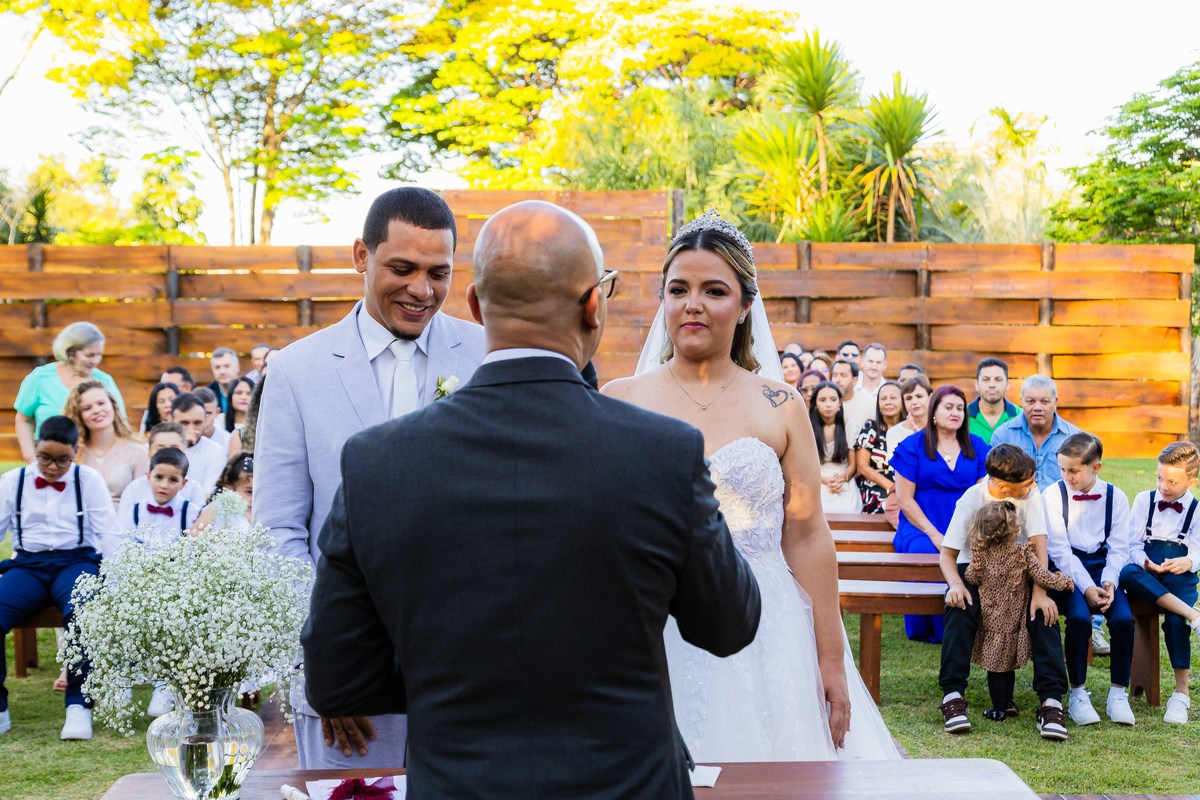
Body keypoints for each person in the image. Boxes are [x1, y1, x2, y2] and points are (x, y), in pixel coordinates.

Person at [303, 201, 763, 799]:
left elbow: (336, 679)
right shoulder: (662, 453)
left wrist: (445, 670)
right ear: (594, 304)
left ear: (474, 304)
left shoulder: (376, 463)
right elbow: (729, 623)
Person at [611, 208, 898, 761]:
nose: (692, 304)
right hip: (655, 622)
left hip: (767, 622)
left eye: (714, 290)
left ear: (745, 305)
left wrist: (831, 658)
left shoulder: (781, 405)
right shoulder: (622, 398)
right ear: (663, 300)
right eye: (679, 289)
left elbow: (808, 535)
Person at [256, 187, 487, 769]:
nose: (422, 290)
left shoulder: (488, 353)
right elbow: (281, 531)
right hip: (349, 680)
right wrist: (331, 663)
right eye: (402, 268)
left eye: (439, 273)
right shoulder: (295, 371)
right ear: (362, 255)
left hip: (475, 674)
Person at [938, 444, 1071, 741]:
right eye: (1026, 484)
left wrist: (1040, 592)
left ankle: (1051, 702)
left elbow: (1038, 547)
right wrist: (956, 585)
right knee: (961, 609)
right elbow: (947, 555)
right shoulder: (972, 498)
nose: (1033, 486)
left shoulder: (1031, 496)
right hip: (975, 569)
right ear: (1002, 487)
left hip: (1020, 570)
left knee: (1043, 614)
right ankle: (953, 695)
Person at [0, 416, 119, 740]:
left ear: (76, 452)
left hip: (75, 561)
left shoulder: (88, 479)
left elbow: (108, 533)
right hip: (28, 565)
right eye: (45, 458)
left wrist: (119, 580)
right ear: (35, 448)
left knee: (83, 611)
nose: (52, 468)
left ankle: (78, 704)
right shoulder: (13, 481)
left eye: (62, 460)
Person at [1042, 433, 1136, 726]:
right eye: (1062, 469)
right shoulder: (1052, 495)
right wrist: (1086, 587)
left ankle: (1118, 692)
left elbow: (1120, 546)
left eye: (1073, 470)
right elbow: (1059, 550)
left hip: (1106, 566)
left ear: (1096, 468)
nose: (1066, 476)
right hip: (1068, 569)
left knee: (1123, 619)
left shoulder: (1116, 497)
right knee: (1080, 619)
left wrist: (1108, 581)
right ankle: (1078, 692)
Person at [892, 385, 989, 643]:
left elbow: (983, 494)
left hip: (964, 522)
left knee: (974, 552)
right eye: (949, 407)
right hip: (922, 523)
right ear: (934, 411)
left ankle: (969, 621)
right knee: (926, 550)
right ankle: (931, 627)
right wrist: (933, 533)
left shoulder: (977, 446)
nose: (956, 412)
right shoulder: (912, 446)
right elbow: (904, 499)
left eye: (960, 408)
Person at [964, 501, 1074, 724]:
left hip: (992, 621)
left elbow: (971, 577)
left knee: (997, 665)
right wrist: (1065, 581)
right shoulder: (1023, 554)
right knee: (1007, 663)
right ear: (1013, 529)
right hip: (1013, 621)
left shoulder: (981, 556)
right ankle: (1003, 705)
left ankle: (1002, 704)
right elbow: (1044, 577)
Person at [1118, 441, 1200, 725]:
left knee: (1176, 623)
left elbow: (1199, 550)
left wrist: (1188, 562)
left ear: (1192, 481)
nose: (1163, 486)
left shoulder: (1197, 510)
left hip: (1181, 576)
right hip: (1149, 572)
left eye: (1172, 481)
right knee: (1127, 572)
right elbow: (1132, 544)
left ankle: (1181, 694)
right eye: (1159, 478)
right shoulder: (1144, 500)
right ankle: (1193, 614)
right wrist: (1144, 562)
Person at [14, 322, 125, 462]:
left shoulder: (105, 381)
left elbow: (120, 424)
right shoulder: (40, 378)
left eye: (99, 355)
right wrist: (31, 458)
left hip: (94, 463)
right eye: (90, 355)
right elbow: (24, 419)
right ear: (70, 352)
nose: (96, 361)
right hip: (50, 462)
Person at [63, 380, 148, 508]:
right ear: (79, 415)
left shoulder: (137, 452)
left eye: (101, 403)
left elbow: (143, 502)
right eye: (87, 408)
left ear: (113, 406)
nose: (96, 410)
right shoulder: (73, 454)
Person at [991, 374, 1082, 490]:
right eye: (1030, 401)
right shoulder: (1003, 436)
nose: (1037, 407)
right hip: (1014, 505)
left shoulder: (1073, 438)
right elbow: (994, 482)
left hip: (1061, 506)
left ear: (1055, 402)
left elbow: (1083, 484)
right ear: (1021, 401)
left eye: (1044, 402)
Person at [118, 422, 206, 511]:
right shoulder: (134, 489)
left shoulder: (194, 491)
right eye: (160, 449)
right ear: (149, 454)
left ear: (184, 453)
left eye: (174, 448)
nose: (167, 454)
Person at [810, 381, 862, 514]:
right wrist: (824, 480)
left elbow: (853, 465)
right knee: (817, 509)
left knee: (849, 509)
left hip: (842, 476)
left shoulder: (850, 425)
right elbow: (804, 465)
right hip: (817, 476)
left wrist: (842, 478)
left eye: (833, 399)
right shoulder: (807, 427)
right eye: (822, 400)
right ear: (815, 404)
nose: (828, 404)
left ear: (840, 403)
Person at [855, 380, 904, 515]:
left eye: (893, 398)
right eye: (883, 398)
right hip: (876, 486)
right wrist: (892, 488)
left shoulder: (909, 430)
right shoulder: (870, 428)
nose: (888, 402)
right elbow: (862, 467)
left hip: (906, 487)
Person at [169, 393, 224, 499]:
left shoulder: (215, 451)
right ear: (171, 420)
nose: (191, 428)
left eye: (197, 423)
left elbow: (207, 495)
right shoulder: (160, 445)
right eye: (184, 423)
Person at [191, 452, 253, 534]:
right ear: (229, 488)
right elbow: (194, 532)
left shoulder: (258, 513)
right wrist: (217, 538)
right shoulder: (219, 507)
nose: (253, 498)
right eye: (249, 492)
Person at [967, 357, 1020, 444]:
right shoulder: (962, 415)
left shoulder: (1020, 416)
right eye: (986, 379)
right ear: (976, 385)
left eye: (998, 379)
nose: (992, 385)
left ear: (1007, 385)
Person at [886, 374, 932, 459]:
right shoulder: (894, 432)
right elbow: (897, 467)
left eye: (919, 396)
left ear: (930, 397)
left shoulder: (941, 428)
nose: (914, 401)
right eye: (909, 398)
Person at [831, 359, 871, 441]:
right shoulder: (825, 401)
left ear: (855, 380)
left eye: (843, 375)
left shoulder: (869, 403)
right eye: (834, 375)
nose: (837, 380)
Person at [228, 376, 265, 458]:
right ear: (230, 396)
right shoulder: (218, 421)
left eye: (249, 393)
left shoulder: (261, 426)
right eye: (239, 393)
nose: (243, 397)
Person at [194, 386, 230, 455]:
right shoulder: (180, 440)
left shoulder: (228, 441)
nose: (202, 418)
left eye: (207, 413)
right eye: (198, 413)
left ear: (217, 412)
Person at [206, 347, 241, 413]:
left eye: (227, 366)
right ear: (212, 369)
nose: (222, 372)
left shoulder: (250, 392)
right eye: (217, 367)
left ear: (237, 367)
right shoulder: (206, 395)